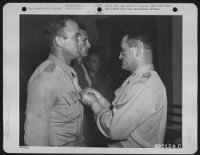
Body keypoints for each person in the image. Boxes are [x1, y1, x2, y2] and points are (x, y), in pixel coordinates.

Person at [81, 31, 167, 147]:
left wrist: (94, 104)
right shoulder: (139, 80)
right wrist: (101, 100)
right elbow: (122, 115)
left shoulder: (142, 87)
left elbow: (114, 130)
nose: (120, 56)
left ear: (137, 48)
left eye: (123, 51)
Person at [24, 17, 84, 146]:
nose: (81, 42)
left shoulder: (69, 72)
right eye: (76, 37)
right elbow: (35, 140)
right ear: (59, 41)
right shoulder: (46, 78)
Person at [71, 27, 93, 146]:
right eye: (85, 41)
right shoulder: (69, 69)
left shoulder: (82, 66)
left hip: (86, 121)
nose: (89, 45)